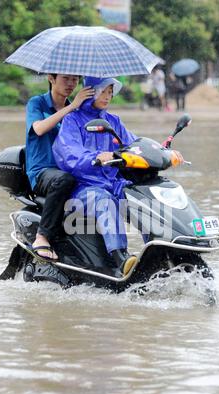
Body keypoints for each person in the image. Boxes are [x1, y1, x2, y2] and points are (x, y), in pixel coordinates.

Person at [52, 76, 138, 276]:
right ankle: (120, 258)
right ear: (90, 91)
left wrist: (161, 151)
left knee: (138, 196)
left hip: (114, 183)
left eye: (110, 92)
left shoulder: (113, 121)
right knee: (104, 201)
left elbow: (134, 144)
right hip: (84, 188)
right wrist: (96, 157)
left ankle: (160, 247)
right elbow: (69, 154)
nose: (108, 97)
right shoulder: (72, 120)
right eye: (103, 91)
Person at [26, 74, 95, 260]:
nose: (71, 84)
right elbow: (39, 128)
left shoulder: (77, 110)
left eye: (75, 79)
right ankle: (42, 237)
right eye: (66, 79)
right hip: (42, 172)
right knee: (64, 179)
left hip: (69, 169)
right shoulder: (37, 103)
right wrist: (72, 107)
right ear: (51, 78)